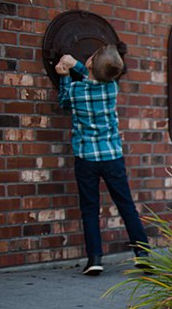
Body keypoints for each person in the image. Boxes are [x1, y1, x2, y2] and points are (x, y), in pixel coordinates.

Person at [55, 45, 149, 276]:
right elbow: (95, 74)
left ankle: (95, 258)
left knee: (89, 208)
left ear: (89, 64)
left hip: (86, 158)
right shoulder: (111, 89)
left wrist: (65, 74)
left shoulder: (76, 90)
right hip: (112, 157)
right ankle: (143, 254)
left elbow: (64, 102)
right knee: (126, 205)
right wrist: (75, 63)